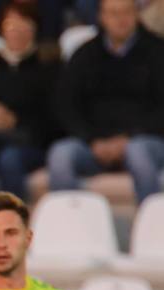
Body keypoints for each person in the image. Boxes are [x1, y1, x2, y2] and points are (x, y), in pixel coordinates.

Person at [47, 0, 164, 203]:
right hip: (93, 144)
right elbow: (66, 104)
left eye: (126, 12)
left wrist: (128, 138)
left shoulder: (158, 51)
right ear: (101, 17)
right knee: (61, 156)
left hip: (145, 140)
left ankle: (152, 227)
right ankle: (77, 225)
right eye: (113, 13)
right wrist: (92, 140)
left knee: (138, 153)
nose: (120, 19)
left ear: (137, 15)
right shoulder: (84, 54)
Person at [0, 1, 60, 200]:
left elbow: (54, 116)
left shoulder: (49, 67)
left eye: (24, 23)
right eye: (10, 24)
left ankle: (13, 221)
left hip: (32, 140)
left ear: (35, 28)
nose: (16, 30)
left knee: (9, 159)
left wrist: (16, 120)